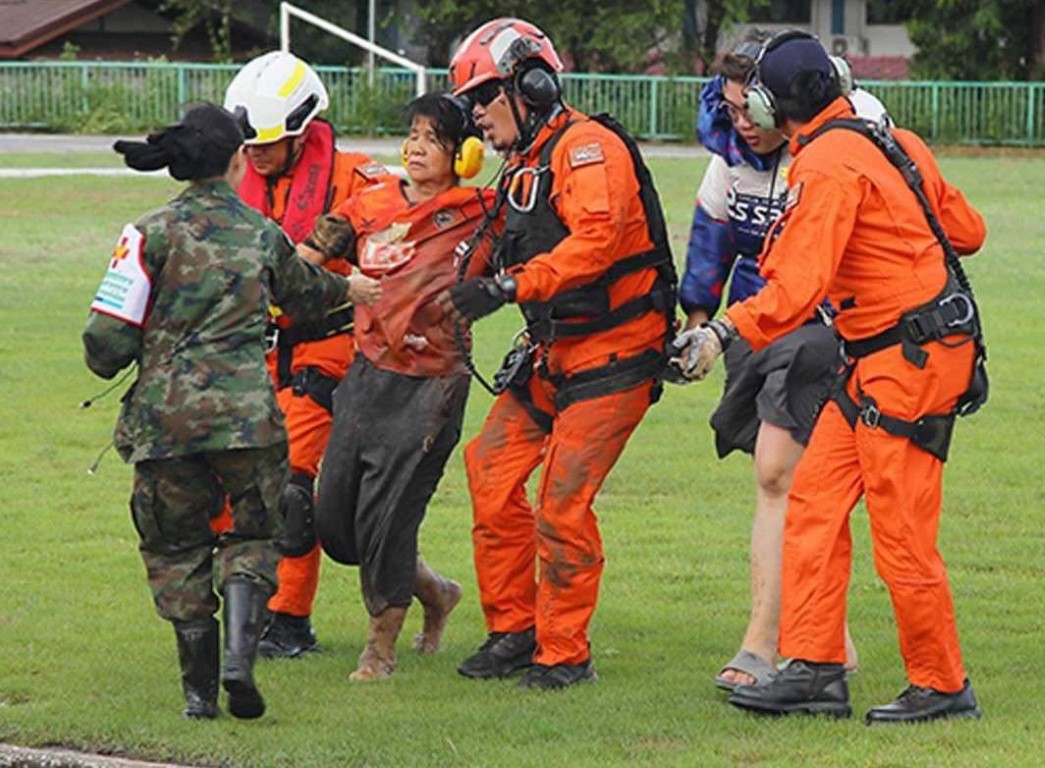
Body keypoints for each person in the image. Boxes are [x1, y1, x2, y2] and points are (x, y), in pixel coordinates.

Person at [671, 31, 987, 723]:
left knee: (899, 529)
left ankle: (940, 685)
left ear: (766, 103)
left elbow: (792, 288)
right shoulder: (889, 140)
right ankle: (814, 667)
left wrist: (720, 331)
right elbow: (966, 231)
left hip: (905, 362)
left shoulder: (822, 166)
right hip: (890, 354)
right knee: (813, 501)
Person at [82, 103, 380, 719]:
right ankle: (241, 660)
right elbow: (302, 297)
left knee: (175, 549)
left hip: (166, 427)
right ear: (238, 160)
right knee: (254, 534)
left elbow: (105, 343)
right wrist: (350, 288)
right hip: (250, 420)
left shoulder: (146, 234)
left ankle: (198, 697)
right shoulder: (262, 233)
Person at [441, 18, 677, 690]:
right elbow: (491, 238)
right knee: (488, 470)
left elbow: (594, 245)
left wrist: (511, 286)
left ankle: (564, 653)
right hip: (554, 351)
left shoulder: (585, 149)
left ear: (530, 85)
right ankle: (512, 630)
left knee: (561, 504)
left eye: (483, 100)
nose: (477, 118)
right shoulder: (524, 161)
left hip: (616, 353)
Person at [682, 35, 882, 691]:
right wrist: (698, 325)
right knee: (792, 487)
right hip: (759, 332)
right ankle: (829, 642)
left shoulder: (839, 148)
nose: (744, 122)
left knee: (778, 479)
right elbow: (710, 247)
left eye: (754, 108)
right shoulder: (728, 160)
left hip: (827, 332)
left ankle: (767, 643)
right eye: (733, 109)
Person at [302, 93, 493, 681]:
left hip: (432, 387)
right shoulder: (371, 202)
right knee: (337, 524)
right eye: (411, 134)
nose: (414, 147)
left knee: (390, 518)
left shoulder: (484, 211)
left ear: (464, 155)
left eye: (432, 139)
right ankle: (437, 592)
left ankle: (378, 650)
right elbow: (305, 259)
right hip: (365, 377)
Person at [221, 51, 393, 659]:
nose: (256, 154)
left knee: (292, 491)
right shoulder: (234, 181)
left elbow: (401, 236)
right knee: (229, 487)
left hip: (326, 351)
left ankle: (289, 621)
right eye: (250, 145)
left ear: (301, 133)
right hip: (249, 355)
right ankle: (242, 599)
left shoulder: (358, 179)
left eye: (268, 144)